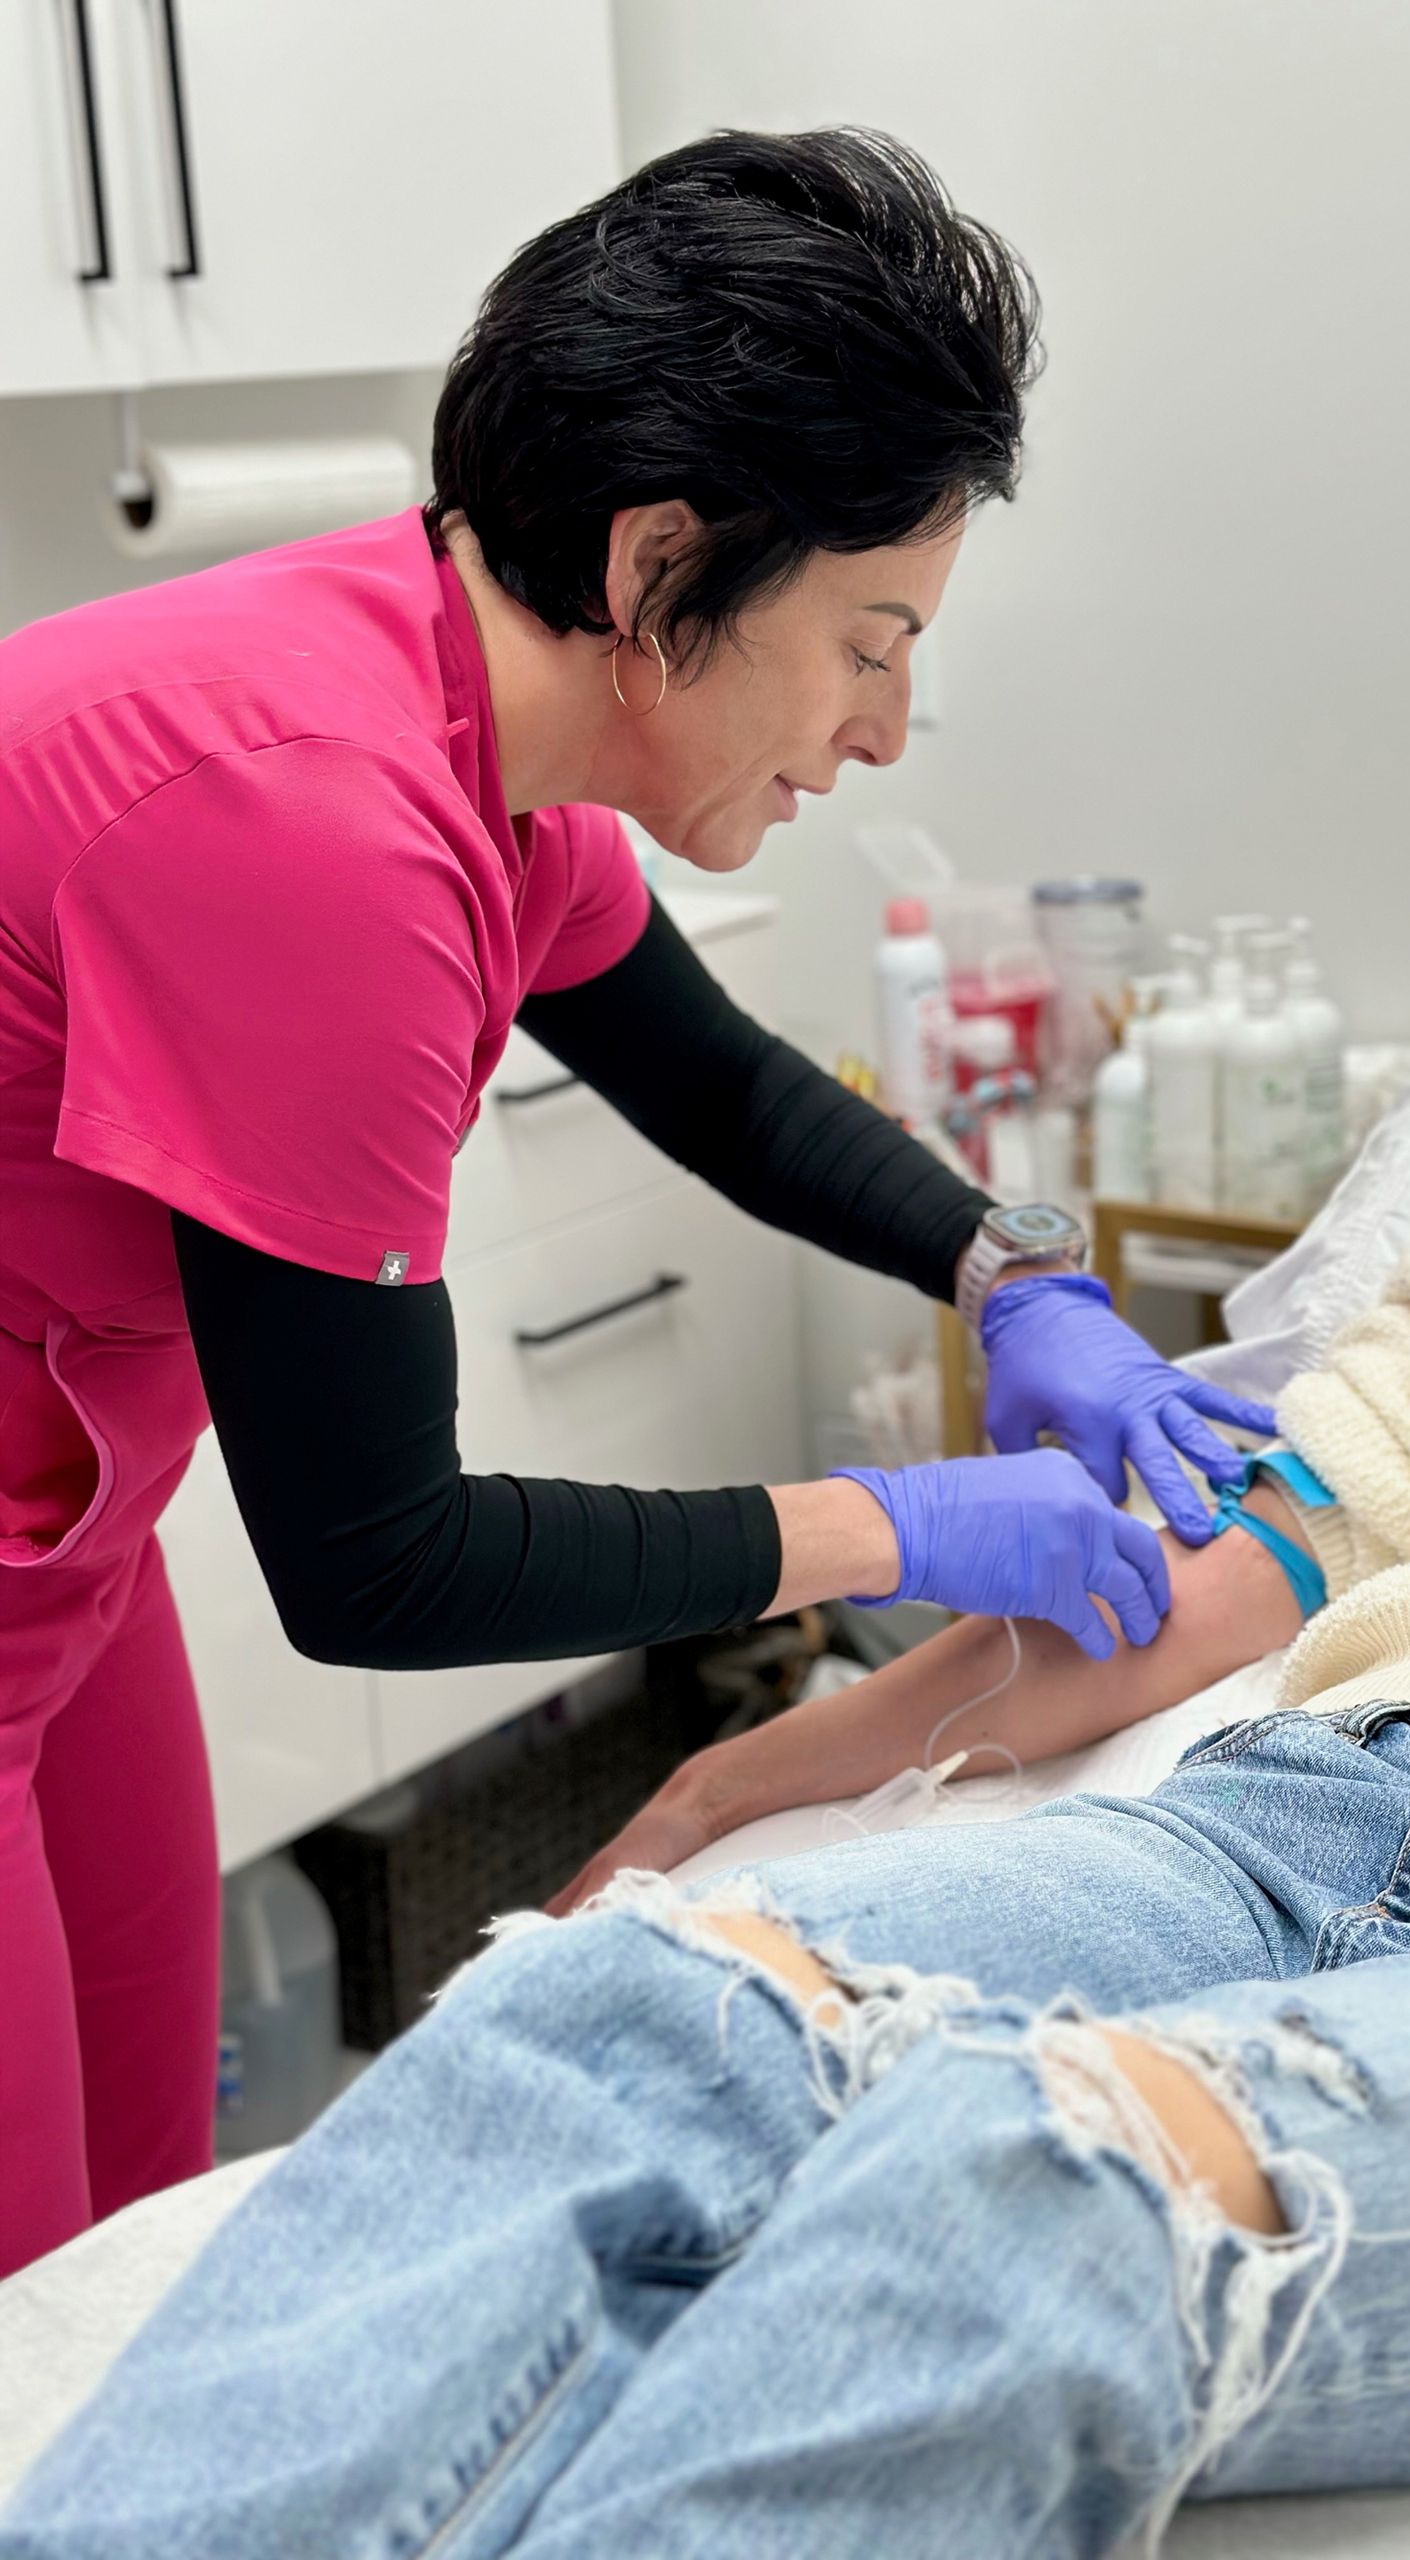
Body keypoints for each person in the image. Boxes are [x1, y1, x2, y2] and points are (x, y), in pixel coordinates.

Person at [11, 887, 1410, 2555]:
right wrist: (728, 1782)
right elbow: (1233, 1572)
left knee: (1031, 2175)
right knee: (602, 2011)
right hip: (1291, 1822)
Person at [0, 126, 1279, 2282]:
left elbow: (723, 1081)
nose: (884, 731)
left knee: (127, 2213)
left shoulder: (481, 704)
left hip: (67, 1521)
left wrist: (1014, 1268)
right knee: (23, 2283)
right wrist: (909, 1522)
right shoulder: (323, 845)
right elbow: (379, 1563)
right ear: (663, 565)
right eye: (870, 640)